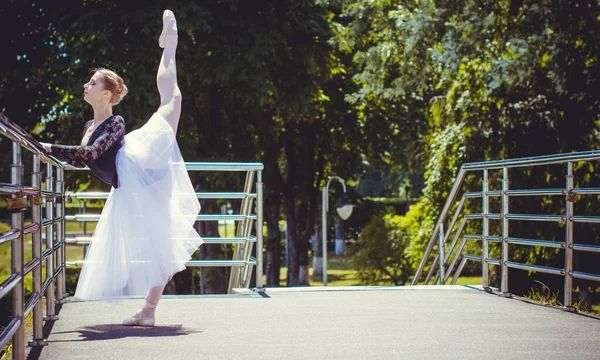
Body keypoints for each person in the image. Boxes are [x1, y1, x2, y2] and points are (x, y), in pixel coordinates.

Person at [41, 10, 203, 327]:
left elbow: (92, 152)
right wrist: (54, 156)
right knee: (162, 239)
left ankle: (170, 45)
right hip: (129, 181)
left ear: (106, 93)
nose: (85, 85)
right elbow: (83, 156)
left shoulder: (115, 121)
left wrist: (51, 149)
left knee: (173, 98)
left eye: (92, 82)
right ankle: (149, 311)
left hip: (140, 163)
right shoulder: (90, 124)